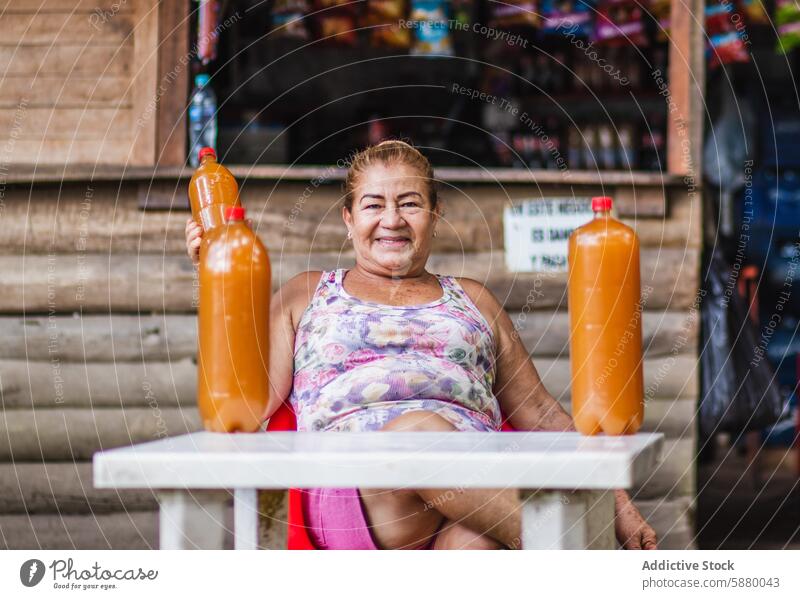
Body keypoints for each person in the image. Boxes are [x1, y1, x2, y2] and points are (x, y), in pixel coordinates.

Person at [185, 139, 658, 550]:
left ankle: (553, 548)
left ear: (435, 214)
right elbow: (250, 398)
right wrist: (214, 281)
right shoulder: (304, 294)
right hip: (358, 495)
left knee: (472, 548)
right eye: (373, 205)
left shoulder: (474, 299)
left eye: (409, 203)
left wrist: (619, 504)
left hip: (475, 500)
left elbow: (541, 412)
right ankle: (577, 559)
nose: (391, 219)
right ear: (349, 219)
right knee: (418, 434)